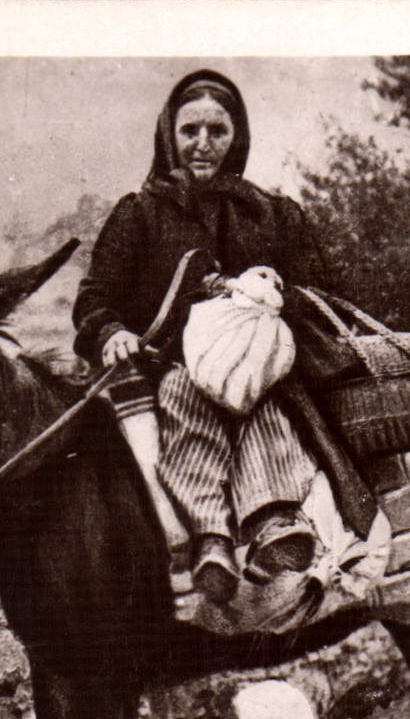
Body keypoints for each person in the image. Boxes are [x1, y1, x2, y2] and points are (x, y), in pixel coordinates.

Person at [73, 69, 333, 604]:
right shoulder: (138, 214)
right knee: (183, 393)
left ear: (237, 137)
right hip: (172, 366)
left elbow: (321, 290)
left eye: (218, 131)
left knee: (260, 398)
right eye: (190, 130)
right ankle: (211, 540)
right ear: (169, 134)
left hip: (259, 365)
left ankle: (275, 523)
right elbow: (93, 299)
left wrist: (272, 301)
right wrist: (112, 332)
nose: (203, 144)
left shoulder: (271, 213)